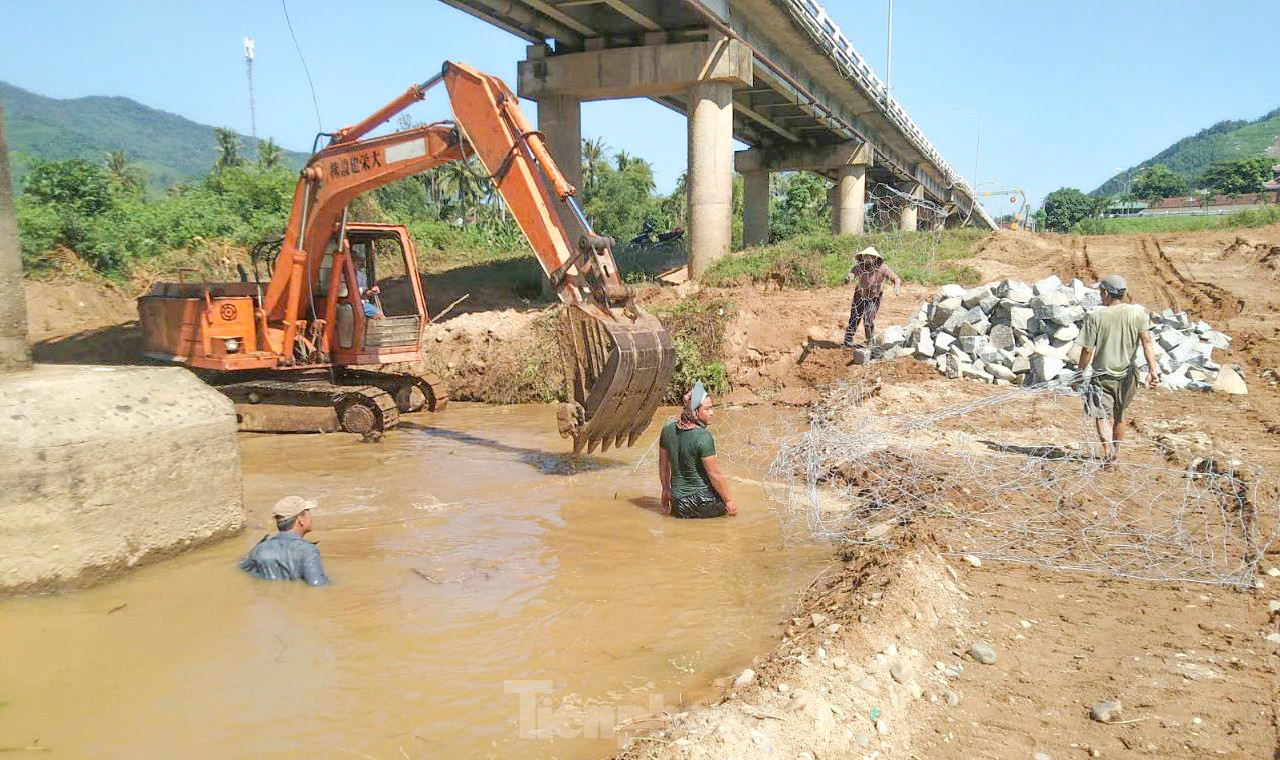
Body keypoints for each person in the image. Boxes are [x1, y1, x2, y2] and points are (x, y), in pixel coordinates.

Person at [1074, 274, 1160, 463]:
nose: (1100, 296)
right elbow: (1146, 342)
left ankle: (1108, 452)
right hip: (1128, 376)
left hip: (1102, 376)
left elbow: (1088, 349)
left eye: (1100, 292)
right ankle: (1116, 452)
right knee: (1120, 415)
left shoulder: (1097, 316)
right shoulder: (1138, 313)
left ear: (1105, 292)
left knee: (1101, 415)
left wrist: (1080, 373)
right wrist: (1153, 370)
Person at [658, 381, 737, 518]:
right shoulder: (703, 436)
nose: (712, 413)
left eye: (712, 408)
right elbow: (714, 474)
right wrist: (729, 501)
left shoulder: (667, 430)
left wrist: (665, 489)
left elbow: (663, 465)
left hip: (679, 505)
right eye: (707, 409)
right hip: (705, 502)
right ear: (695, 411)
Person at [238, 496, 330, 586]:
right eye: (308, 512)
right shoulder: (308, 550)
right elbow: (317, 585)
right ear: (300, 519)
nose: (311, 517)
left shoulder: (258, 549)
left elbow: (241, 568)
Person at [843, 248, 902, 348]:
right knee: (854, 318)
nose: (868, 258)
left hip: (874, 297)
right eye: (866, 256)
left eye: (871, 256)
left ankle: (870, 342)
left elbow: (896, 278)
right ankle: (848, 340)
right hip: (860, 295)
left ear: (875, 258)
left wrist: (896, 286)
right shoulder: (860, 266)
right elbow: (853, 273)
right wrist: (849, 278)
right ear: (863, 257)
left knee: (868, 320)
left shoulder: (882, 268)